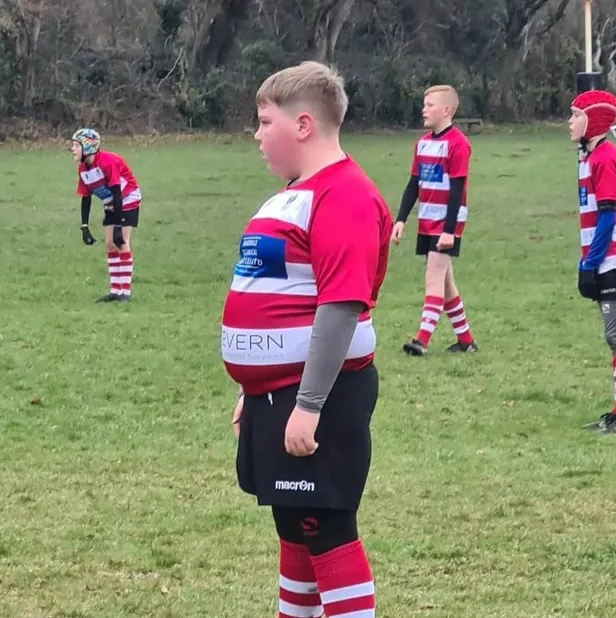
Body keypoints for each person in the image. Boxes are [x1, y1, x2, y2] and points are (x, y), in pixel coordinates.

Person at [222, 60, 391, 618]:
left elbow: (340, 306)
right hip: (278, 395)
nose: (256, 135)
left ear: (302, 125)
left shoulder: (344, 195)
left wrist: (310, 404)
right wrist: (253, 387)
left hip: (319, 394)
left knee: (326, 528)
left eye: (264, 122)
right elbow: (275, 294)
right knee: (294, 526)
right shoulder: (295, 193)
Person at [568, 90, 616, 434]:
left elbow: (608, 217)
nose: (569, 122)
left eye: (576, 115)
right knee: (614, 336)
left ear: (593, 121)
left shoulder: (605, 159)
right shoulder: (589, 158)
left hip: (614, 259)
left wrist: (589, 264)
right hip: (603, 259)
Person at [392, 85, 478, 356]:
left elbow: (457, 190)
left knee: (433, 277)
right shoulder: (422, 144)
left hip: (446, 223)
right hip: (427, 220)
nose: (424, 110)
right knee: (446, 283)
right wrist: (401, 219)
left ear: (446, 110)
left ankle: (422, 340)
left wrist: (449, 231)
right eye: (424, 104)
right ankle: (466, 341)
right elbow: (413, 184)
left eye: (430, 105)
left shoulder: (458, 144)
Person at [71, 128, 142, 302]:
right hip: (112, 201)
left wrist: (118, 225)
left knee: (121, 242)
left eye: (76, 145)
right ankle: (115, 291)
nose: (72, 149)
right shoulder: (83, 169)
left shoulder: (107, 162)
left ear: (88, 147)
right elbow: (86, 197)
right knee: (110, 244)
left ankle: (125, 292)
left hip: (126, 197)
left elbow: (117, 192)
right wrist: (84, 227)